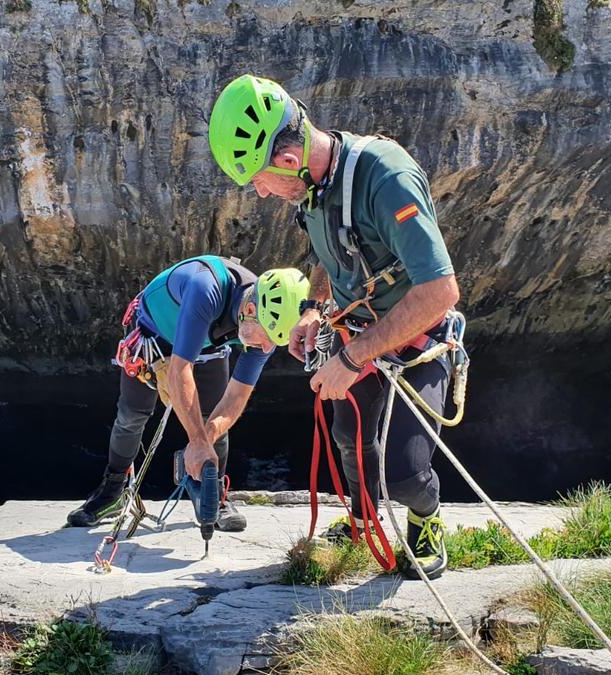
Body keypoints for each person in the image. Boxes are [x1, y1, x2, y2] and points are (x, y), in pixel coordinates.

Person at [207, 75, 461, 579]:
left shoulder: (384, 177)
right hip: (354, 333)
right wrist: (313, 310)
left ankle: (425, 520)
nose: (259, 192)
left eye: (258, 180)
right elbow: (329, 252)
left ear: (285, 160)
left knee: (406, 473)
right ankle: (364, 521)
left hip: (418, 340)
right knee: (350, 441)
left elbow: (439, 291)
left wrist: (349, 359)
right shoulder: (313, 190)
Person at [67, 255, 310, 533]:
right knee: (132, 416)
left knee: (213, 419)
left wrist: (205, 439)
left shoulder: (267, 327)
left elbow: (237, 395)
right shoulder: (205, 288)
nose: (267, 349)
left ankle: (212, 493)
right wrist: (195, 441)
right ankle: (112, 491)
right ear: (250, 309)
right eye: (267, 338)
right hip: (153, 334)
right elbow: (179, 371)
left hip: (209, 344)